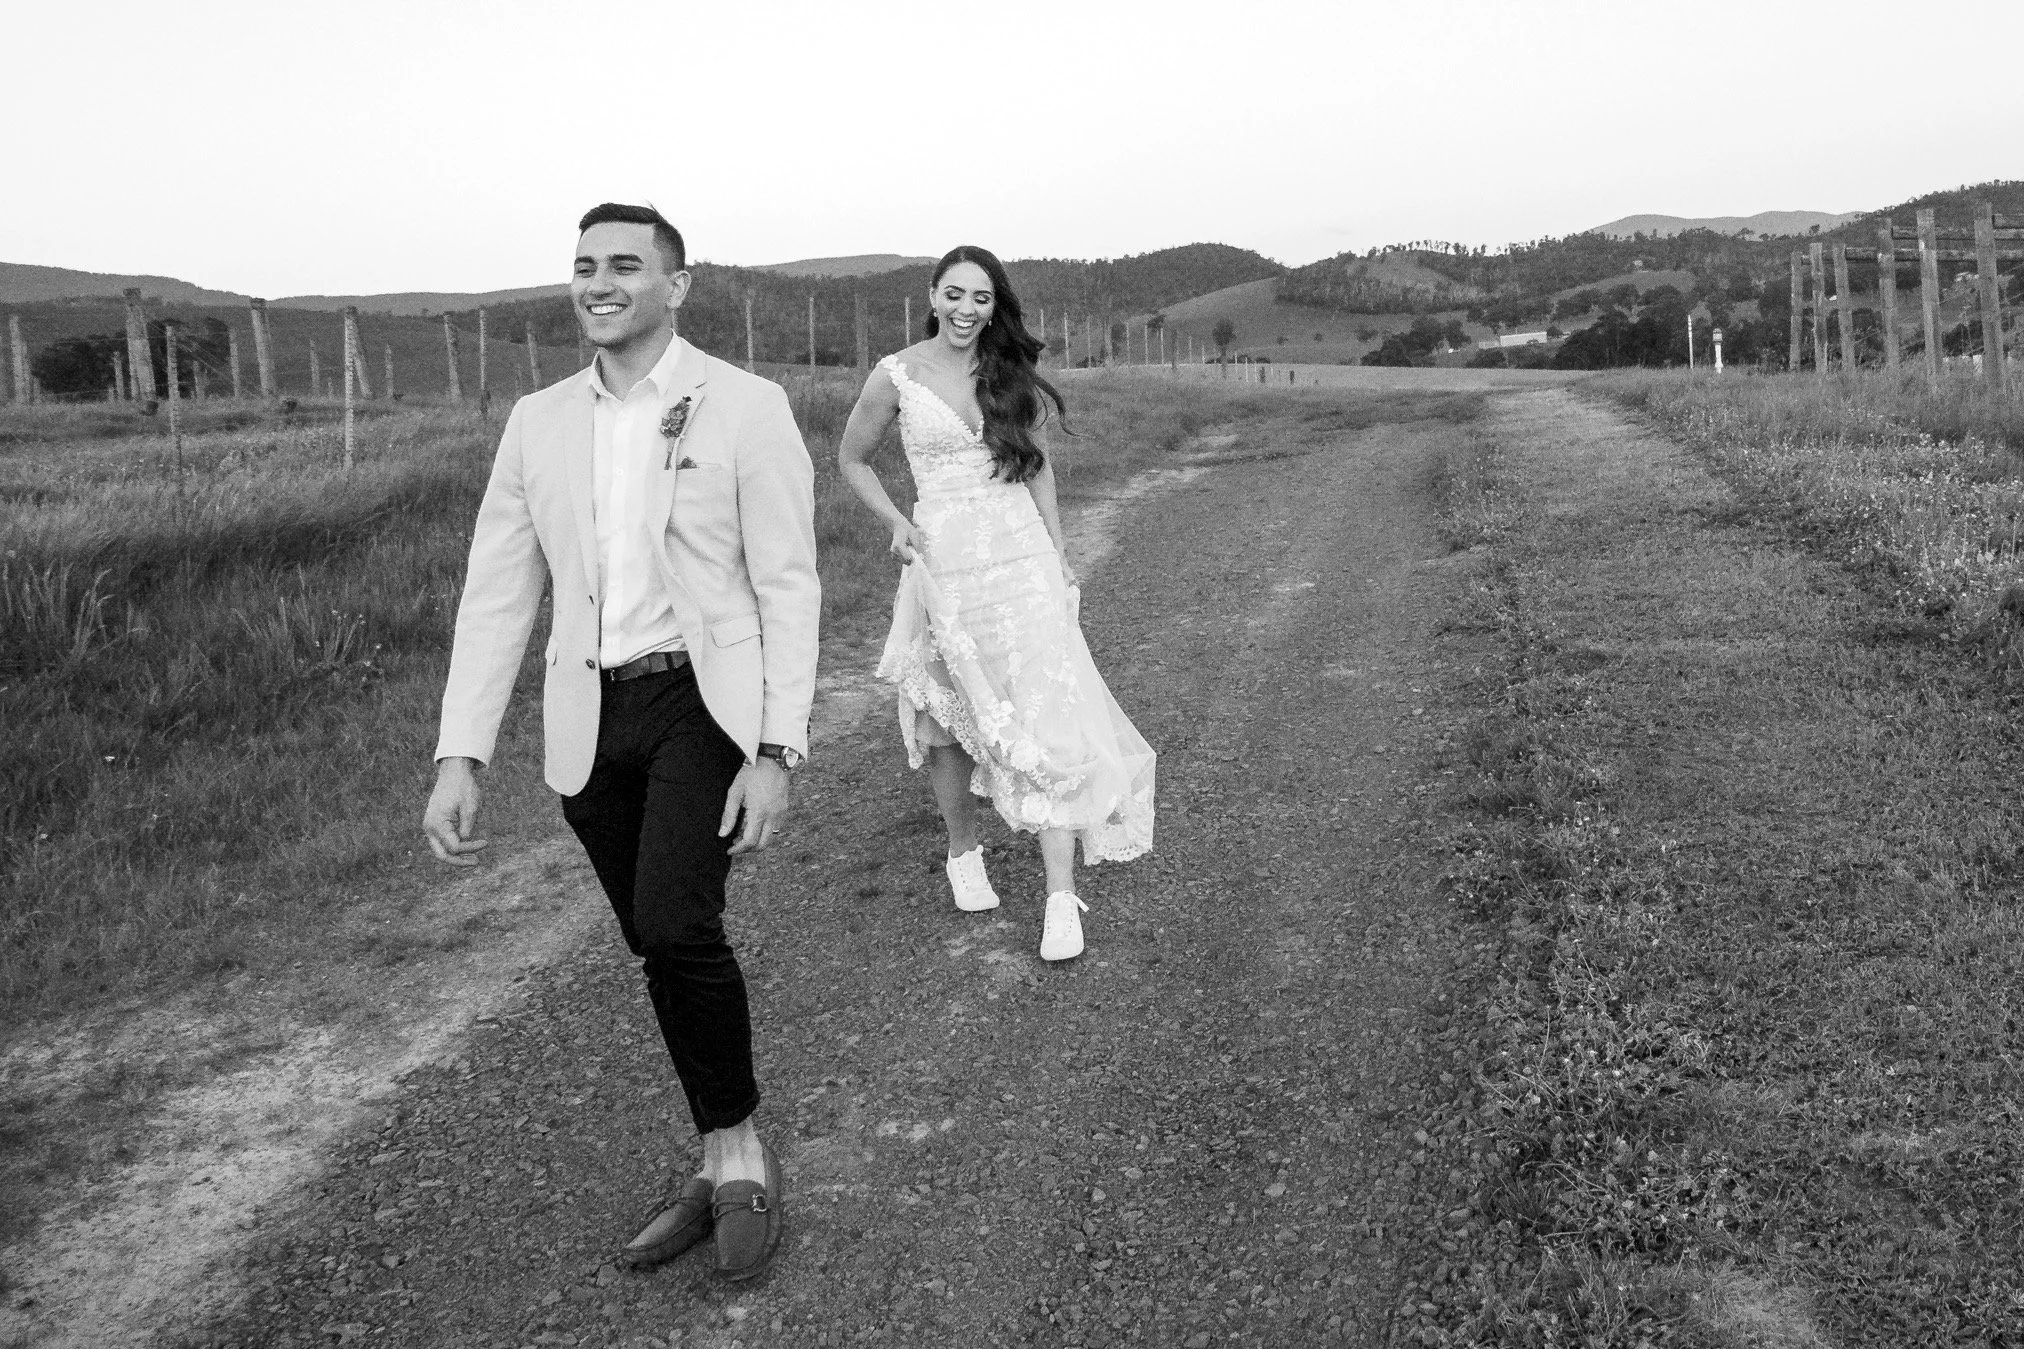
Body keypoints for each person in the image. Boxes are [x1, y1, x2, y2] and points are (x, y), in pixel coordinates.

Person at [422, 202, 818, 1282]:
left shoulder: (744, 404)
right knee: (655, 942)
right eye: (585, 265)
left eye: (625, 266)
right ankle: (712, 1147)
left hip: (703, 699)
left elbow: (788, 581)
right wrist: (462, 754)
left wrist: (776, 750)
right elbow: (497, 591)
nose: (599, 282)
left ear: (675, 285)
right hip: (589, 719)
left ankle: (741, 1154)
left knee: (674, 918)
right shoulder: (537, 420)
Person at [836, 246, 1154, 962]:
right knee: (949, 715)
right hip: (944, 562)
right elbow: (851, 457)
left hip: (1019, 559)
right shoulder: (896, 374)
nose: (966, 310)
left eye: (981, 298)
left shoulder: (1006, 372)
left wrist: (1058, 551)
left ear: (994, 305)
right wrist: (895, 521)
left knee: (1049, 715)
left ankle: (1060, 895)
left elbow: (1037, 466)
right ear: (933, 294)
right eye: (955, 294)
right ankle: (962, 849)